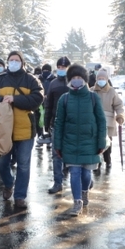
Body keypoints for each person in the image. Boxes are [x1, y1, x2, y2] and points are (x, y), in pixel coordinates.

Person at [0, 50, 44, 211]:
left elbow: (37, 99)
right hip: (3, 130)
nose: (14, 62)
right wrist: (1, 100)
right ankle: (9, 183)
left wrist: (15, 99)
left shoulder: (32, 80)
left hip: (25, 130)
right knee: (1, 161)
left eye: (17, 60)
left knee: (24, 165)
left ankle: (20, 196)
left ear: (22, 63)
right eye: (11, 60)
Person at [53, 63, 108, 215]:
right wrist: (57, 144)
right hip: (70, 143)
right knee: (74, 172)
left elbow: (101, 121)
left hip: (89, 142)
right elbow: (59, 123)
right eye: (73, 77)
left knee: (86, 174)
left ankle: (85, 191)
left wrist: (101, 142)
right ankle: (77, 201)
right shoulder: (64, 99)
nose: (76, 80)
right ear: (69, 80)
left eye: (79, 77)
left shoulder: (93, 97)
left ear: (84, 79)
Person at [44, 56, 72, 194]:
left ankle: (79, 181)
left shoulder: (75, 82)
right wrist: (46, 123)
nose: (61, 70)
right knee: (56, 154)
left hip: (72, 124)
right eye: (60, 67)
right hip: (56, 123)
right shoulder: (53, 84)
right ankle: (57, 182)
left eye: (64, 67)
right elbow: (48, 105)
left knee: (73, 153)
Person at [92, 69, 124, 171]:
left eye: (103, 78)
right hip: (95, 121)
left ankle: (107, 159)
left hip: (108, 122)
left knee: (107, 143)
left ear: (107, 79)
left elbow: (118, 105)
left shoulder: (112, 91)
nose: (101, 80)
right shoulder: (91, 91)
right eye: (99, 78)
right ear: (96, 79)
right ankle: (97, 161)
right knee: (95, 142)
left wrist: (120, 115)